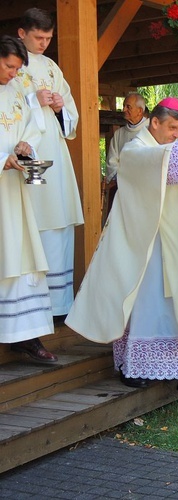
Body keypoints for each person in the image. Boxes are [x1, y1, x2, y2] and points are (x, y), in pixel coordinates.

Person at [65, 97, 178, 397]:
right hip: (143, 241)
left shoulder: (168, 148)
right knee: (146, 303)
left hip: (173, 237)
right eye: (172, 128)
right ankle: (132, 366)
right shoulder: (135, 148)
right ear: (155, 122)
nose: (176, 134)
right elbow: (151, 166)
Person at [17, 8, 84, 317]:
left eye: (48, 38)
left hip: (54, 154)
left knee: (57, 218)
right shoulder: (10, 65)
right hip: (26, 155)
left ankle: (58, 305)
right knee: (30, 220)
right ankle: (29, 305)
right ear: (22, 33)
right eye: (38, 37)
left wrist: (59, 107)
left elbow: (70, 118)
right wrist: (34, 100)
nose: (44, 43)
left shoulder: (53, 67)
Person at [0, 35, 57, 363]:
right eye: (8, 66)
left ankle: (24, 335)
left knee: (21, 260)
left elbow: (31, 130)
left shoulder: (16, 93)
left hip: (14, 191)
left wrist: (24, 149)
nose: (12, 73)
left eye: (17, 68)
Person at [105, 92, 148, 183]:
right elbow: (112, 161)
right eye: (124, 106)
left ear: (140, 111)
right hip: (122, 184)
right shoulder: (119, 134)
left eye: (128, 107)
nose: (124, 109)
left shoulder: (151, 130)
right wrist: (122, 178)